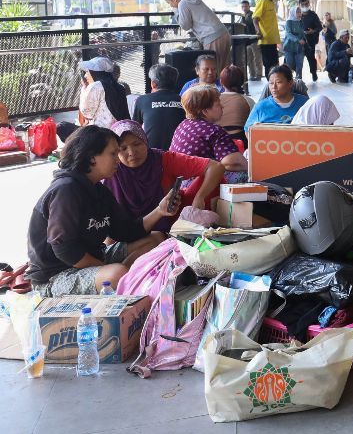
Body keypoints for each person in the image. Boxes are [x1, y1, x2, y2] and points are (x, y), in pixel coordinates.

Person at [26, 126, 170, 295]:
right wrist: (106, 268)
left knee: (157, 239)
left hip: (94, 256)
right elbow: (65, 249)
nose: (118, 159)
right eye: (113, 154)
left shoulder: (99, 190)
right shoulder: (65, 189)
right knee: (116, 274)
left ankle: (127, 279)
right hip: (56, 275)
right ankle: (127, 281)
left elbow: (125, 231)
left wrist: (160, 211)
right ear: (92, 157)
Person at [105, 120, 225, 233]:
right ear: (115, 152)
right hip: (127, 232)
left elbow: (216, 167)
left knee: (216, 181)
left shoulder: (163, 159)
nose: (131, 152)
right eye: (123, 148)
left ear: (146, 141)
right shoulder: (111, 170)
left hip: (168, 223)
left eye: (137, 144)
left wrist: (200, 197)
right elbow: (108, 222)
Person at [170, 87, 248, 181]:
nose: (222, 106)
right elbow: (232, 162)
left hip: (178, 182)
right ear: (205, 111)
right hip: (197, 183)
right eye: (218, 104)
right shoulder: (213, 131)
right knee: (247, 175)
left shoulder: (183, 125)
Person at [57, 57, 131, 142]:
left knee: (62, 127)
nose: (85, 75)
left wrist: (84, 89)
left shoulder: (96, 85)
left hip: (101, 134)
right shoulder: (120, 87)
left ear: (95, 73)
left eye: (88, 72)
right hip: (120, 131)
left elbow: (86, 113)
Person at [163, 0, 232, 71]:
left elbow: (185, 26)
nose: (170, 6)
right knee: (224, 69)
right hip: (223, 34)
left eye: (169, 3)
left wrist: (176, 12)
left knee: (212, 70)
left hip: (212, 37)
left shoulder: (182, 4)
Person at [133, 64, 185, 150]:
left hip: (151, 153)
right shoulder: (183, 100)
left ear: (153, 84)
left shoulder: (142, 100)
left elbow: (135, 128)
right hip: (179, 151)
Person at [245, 65, 310, 128]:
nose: (274, 87)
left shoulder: (305, 104)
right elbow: (248, 130)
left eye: (278, 82)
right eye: (271, 83)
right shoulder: (260, 107)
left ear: (290, 83)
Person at [217, 65, 255, 144]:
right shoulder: (248, 101)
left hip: (218, 139)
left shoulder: (214, 99)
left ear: (221, 82)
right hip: (240, 140)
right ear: (242, 81)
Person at [253, 0, 282, 69]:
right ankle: (271, 82)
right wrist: (258, 31)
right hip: (265, 40)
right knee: (269, 65)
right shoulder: (262, 1)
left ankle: (273, 81)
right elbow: (255, 19)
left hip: (272, 40)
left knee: (275, 65)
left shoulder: (271, 2)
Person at [239, 0, 263, 81]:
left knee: (257, 58)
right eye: (243, 6)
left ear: (249, 6)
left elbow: (250, 23)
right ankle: (252, 75)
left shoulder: (251, 15)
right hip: (247, 41)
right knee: (249, 59)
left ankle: (259, 75)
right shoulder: (242, 16)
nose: (244, 8)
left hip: (254, 39)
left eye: (245, 6)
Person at [282, 6, 307, 80]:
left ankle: (299, 81)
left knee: (300, 64)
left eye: (300, 12)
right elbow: (288, 34)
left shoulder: (300, 21)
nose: (299, 13)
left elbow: (302, 32)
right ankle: (289, 81)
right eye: (297, 12)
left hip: (299, 47)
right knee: (289, 65)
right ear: (293, 12)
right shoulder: (288, 22)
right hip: (289, 47)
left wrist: (304, 39)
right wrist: (297, 40)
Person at [299, 0, 321, 82]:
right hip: (300, 41)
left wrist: (313, 31)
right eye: (303, 5)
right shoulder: (297, 15)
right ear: (299, 6)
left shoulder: (313, 15)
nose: (305, 7)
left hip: (311, 41)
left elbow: (319, 27)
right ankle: (298, 75)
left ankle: (314, 73)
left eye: (306, 4)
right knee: (298, 58)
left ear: (309, 4)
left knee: (311, 58)